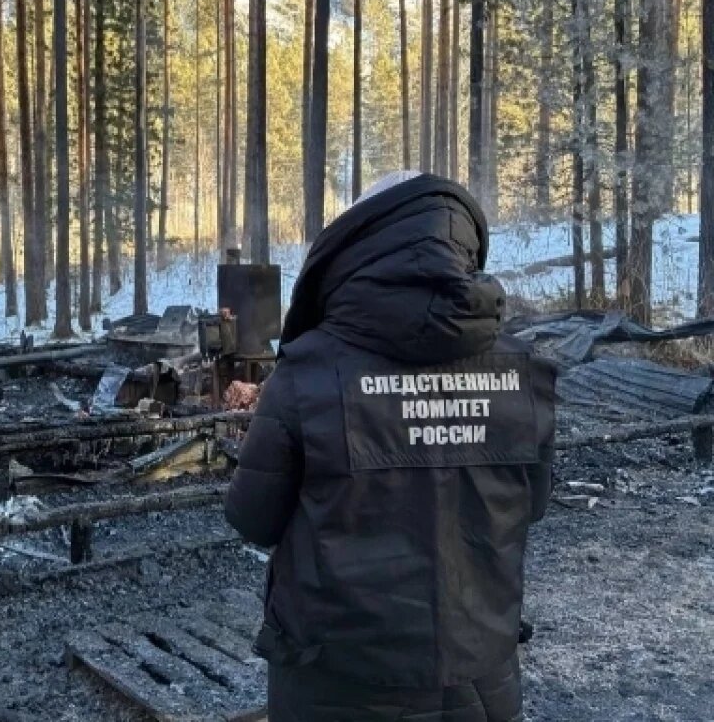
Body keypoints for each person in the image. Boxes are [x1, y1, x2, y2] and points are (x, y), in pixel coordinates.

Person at [225, 172, 556, 722]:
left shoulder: (307, 372)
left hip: (336, 682)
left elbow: (253, 519)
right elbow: (533, 506)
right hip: (480, 678)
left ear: (354, 251)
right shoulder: (524, 371)